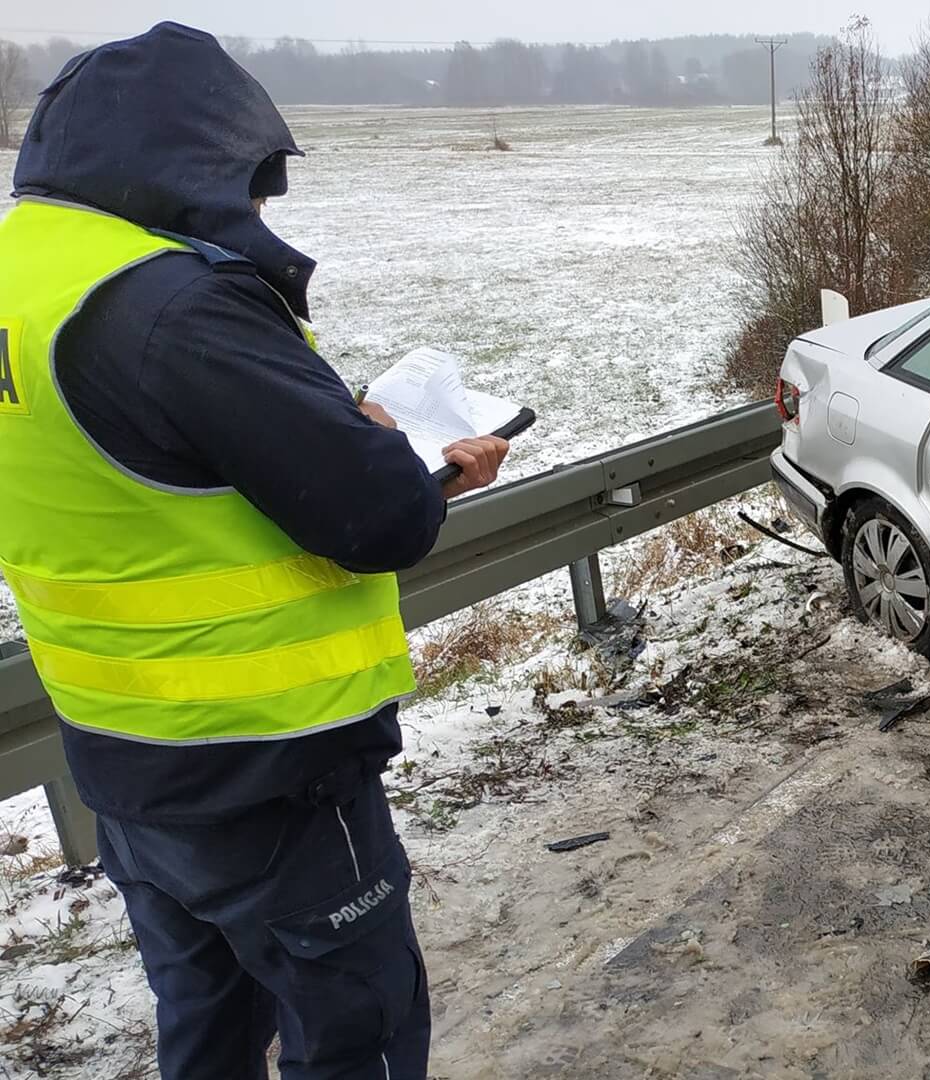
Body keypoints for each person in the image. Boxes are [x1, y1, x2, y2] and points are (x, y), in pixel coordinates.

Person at [0, 23, 508, 1079]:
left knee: (208, 1024)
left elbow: (141, 461)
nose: (260, 213)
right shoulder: (173, 303)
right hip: (268, 770)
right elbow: (379, 520)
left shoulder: (25, 283)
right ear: (187, 159)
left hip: (120, 756)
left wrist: (319, 420)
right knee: (351, 1034)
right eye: (251, 186)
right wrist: (426, 468)